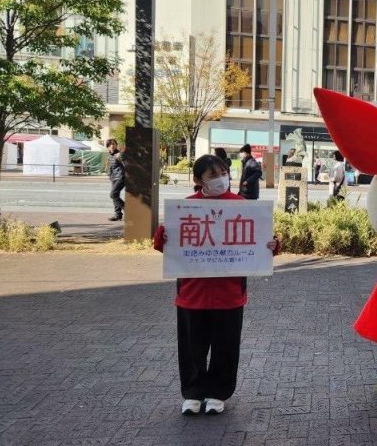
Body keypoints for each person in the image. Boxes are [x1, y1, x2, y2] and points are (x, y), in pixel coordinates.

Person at [153, 155, 281, 416]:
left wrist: (273, 245)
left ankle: (218, 392)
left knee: (226, 346)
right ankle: (193, 393)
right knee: (192, 348)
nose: (221, 179)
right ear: (198, 180)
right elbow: (166, 247)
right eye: (213, 175)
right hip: (192, 294)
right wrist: (162, 236)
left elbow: (259, 244)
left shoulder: (243, 207)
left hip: (229, 294)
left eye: (224, 172)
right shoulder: (185, 209)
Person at [106, 139, 125, 221]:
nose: (112, 146)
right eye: (110, 145)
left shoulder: (119, 155)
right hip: (114, 178)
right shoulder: (110, 155)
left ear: (116, 145)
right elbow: (110, 167)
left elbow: (126, 165)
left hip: (121, 177)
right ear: (108, 147)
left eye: (113, 144)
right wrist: (110, 175)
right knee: (115, 196)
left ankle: (125, 207)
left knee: (113, 194)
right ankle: (118, 214)